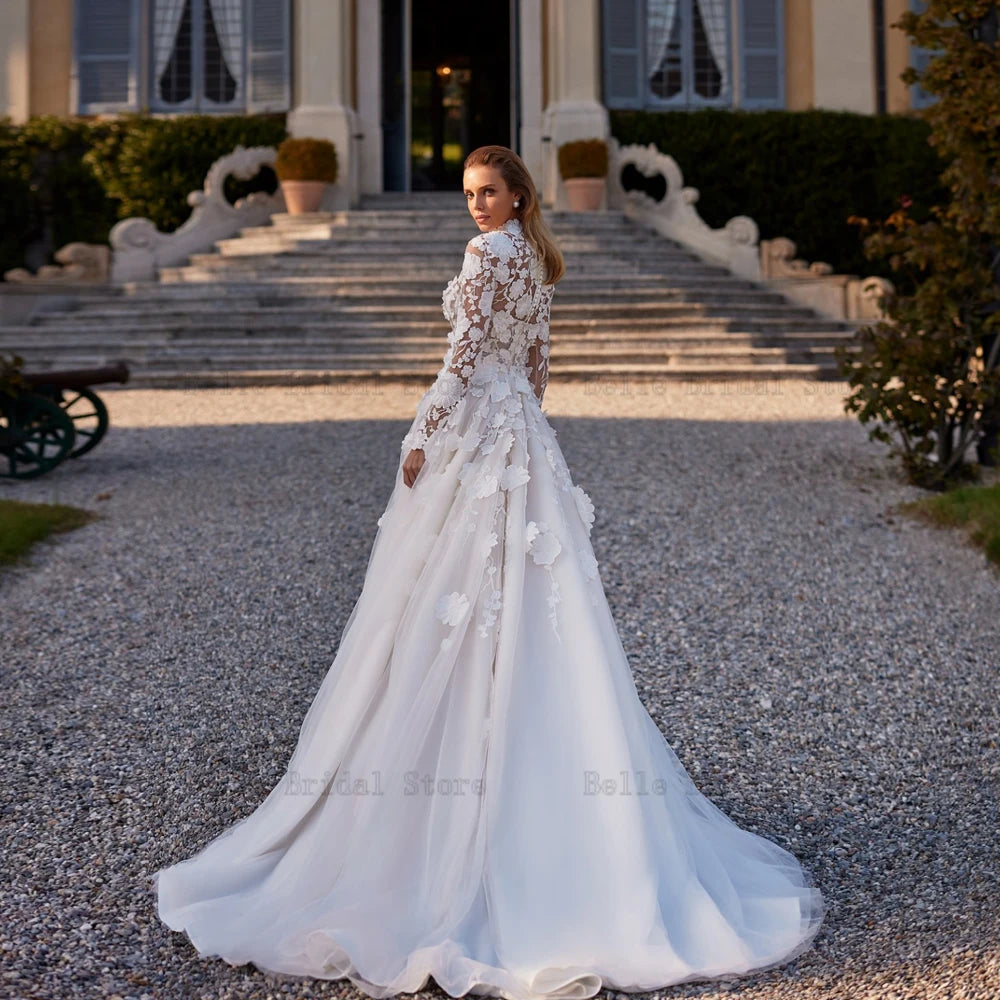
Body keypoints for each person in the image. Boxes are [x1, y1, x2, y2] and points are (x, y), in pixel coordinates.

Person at [153, 145, 826, 999]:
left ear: (517, 196)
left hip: (480, 432)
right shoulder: (538, 262)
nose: (474, 206)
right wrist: (523, 432)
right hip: (523, 439)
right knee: (541, 611)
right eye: (468, 195)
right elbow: (537, 365)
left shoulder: (486, 255)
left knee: (449, 606)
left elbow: (464, 355)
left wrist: (425, 434)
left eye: (488, 193)